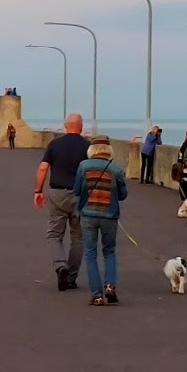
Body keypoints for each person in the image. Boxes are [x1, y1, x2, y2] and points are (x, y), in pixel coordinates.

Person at [33, 113, 89, 291]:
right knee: (78, 238)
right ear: (80, 127)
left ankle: (60, 265)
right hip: (80, 195)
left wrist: (38, 191)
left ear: (65, 126)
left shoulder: (55, 144)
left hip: (57, 193)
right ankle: (71, 277)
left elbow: (43, 167)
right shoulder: (87, 146)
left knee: (54, 234)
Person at [73, 135, 127, 306]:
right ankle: (110, 285)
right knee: (109, 252)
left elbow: (76, 190)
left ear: (92, 150)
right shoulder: (116, 169)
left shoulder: (83, 166)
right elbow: (123, 194)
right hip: (109, 216)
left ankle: (97, 295)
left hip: (88, 215)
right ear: (109, 150)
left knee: (90, 254)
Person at [172, 129, 187, 217]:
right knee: (186, 192)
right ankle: (182, 210)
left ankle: (184, 209)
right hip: (185, 171)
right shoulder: (185, 146)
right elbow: (180, 157)